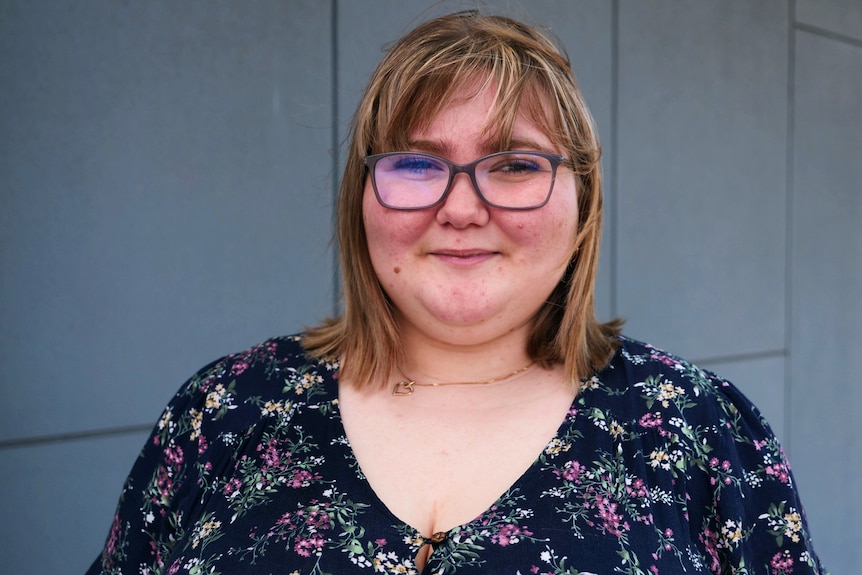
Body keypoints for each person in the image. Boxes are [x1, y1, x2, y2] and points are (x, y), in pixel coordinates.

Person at [87, 10, 826, 575]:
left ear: (582, 204)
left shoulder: (702, 431)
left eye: (513, 164)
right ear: (362, 199)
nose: (462, 208)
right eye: (416, 163)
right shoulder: (222, 413)